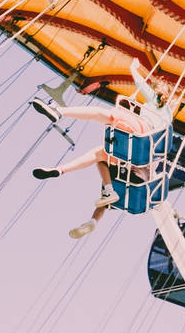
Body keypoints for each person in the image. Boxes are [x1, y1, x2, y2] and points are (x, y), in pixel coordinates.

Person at [34, 64, 173, 233]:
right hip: (140, 151)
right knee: (101, 155)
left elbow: (139, 83)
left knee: (101, 114)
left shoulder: (156, 99)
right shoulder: (168, 117)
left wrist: (134, 68)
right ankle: (91, 209)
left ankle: (59, 111)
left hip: (139, 131)